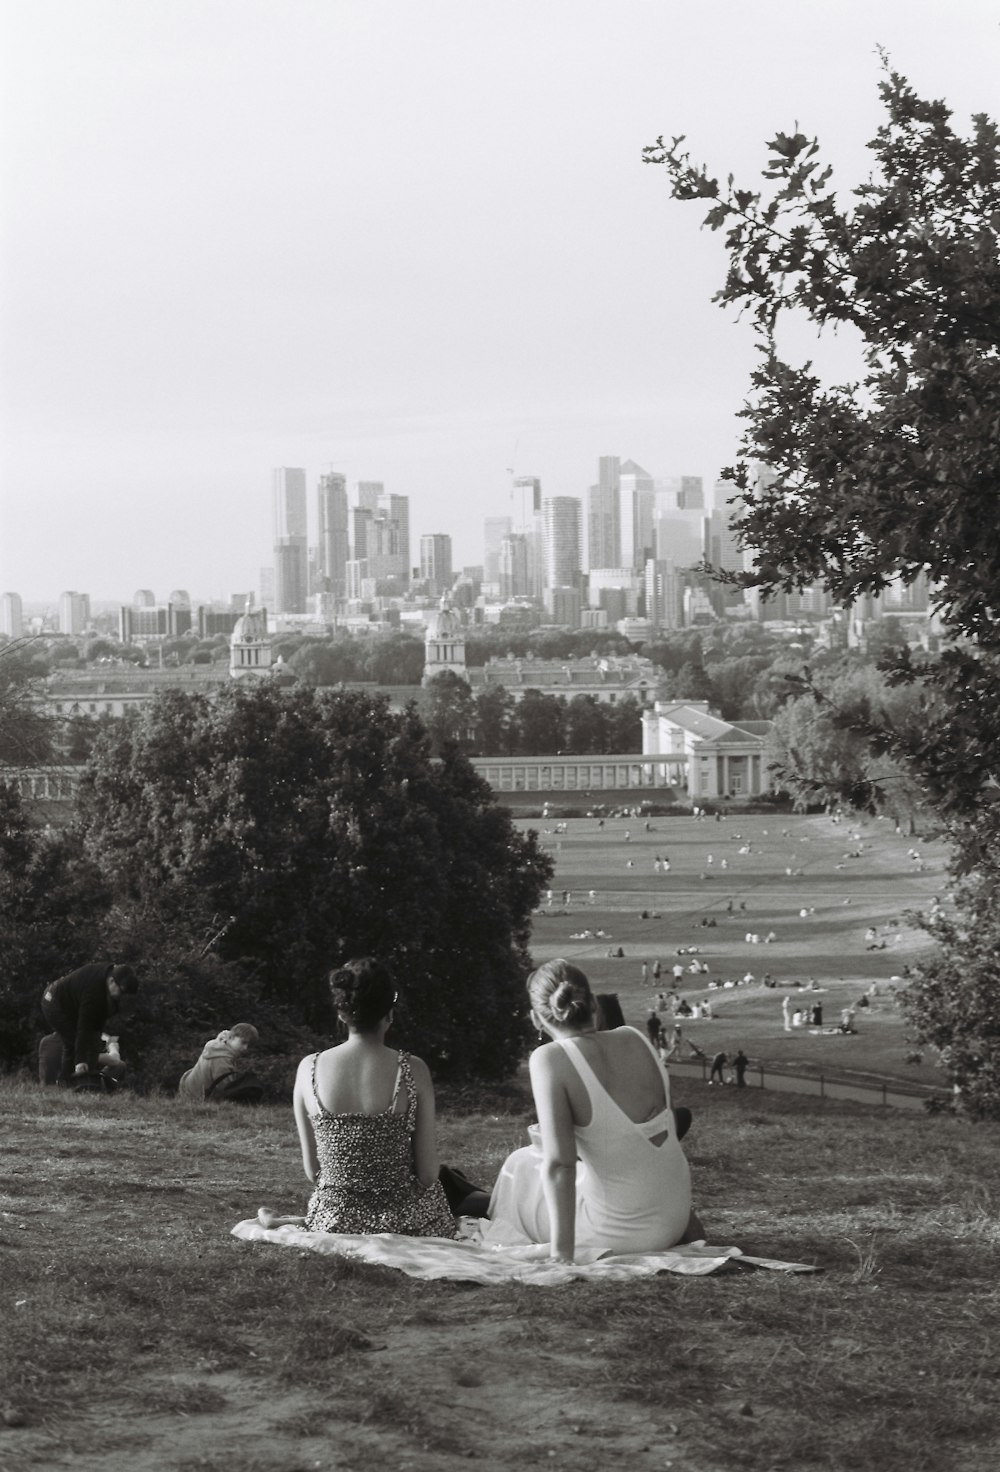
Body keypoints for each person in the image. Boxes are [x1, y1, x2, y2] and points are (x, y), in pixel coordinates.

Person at [484, 960, 702, 1262]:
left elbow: (560, 1165)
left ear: (536, 1019)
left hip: (620, 1234)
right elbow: (654, 1144)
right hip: (673, 1220)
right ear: (594, 1005)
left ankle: (515, 1235)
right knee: (537, 1163)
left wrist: (562, 1257)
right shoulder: (636, 1038)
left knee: (520, 1165)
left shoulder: (549, 1059)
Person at [292, 957, 456, 1237]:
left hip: (333, 1219)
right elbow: (428, 1175)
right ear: (389, 1014)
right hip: (406, 1222)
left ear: (342, 1014)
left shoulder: (309, 1068)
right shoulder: (412, 1069)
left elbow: (313, 1172)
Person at [39, 963, 139, 1085]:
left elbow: (97, 1027)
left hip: (70, 1006)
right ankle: (67, 1083)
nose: (121, 997)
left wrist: (92, 1054)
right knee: (74, 1043)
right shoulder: (94, 992)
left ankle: (80, 1082)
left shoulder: (107, 985)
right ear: (112, 981)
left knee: (88, 1044)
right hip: (53, 1001)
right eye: (121, 992)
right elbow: (84, 1027)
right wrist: (81, 1061)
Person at [178, 1023, 263, 1103]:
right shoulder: (222, 1059)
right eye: (243, 1043)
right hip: (197, 1097)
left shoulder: (217, 1044)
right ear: (231, 1038)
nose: (245, 1048)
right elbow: (225, 1088)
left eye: (249, 1045)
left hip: (189, 1086)